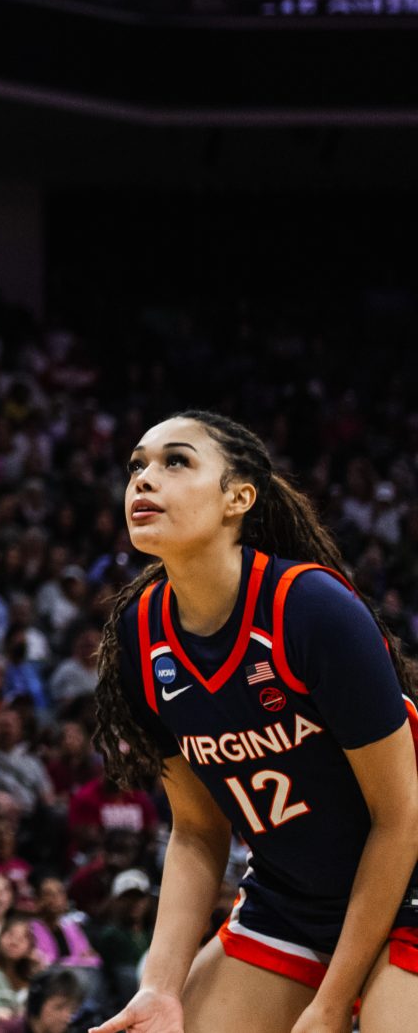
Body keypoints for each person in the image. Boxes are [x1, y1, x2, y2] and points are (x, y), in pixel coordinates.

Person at [92, 412, 418, 1033]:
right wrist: (160, 988)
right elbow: (195, 831)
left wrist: (329, 1003)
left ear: (238, 498)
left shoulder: (311, 608)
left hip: (409, 879)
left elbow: (401, 817)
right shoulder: (140, 633)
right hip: (293, 897)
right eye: (137, 466)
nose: (143, 480)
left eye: (175, 461)